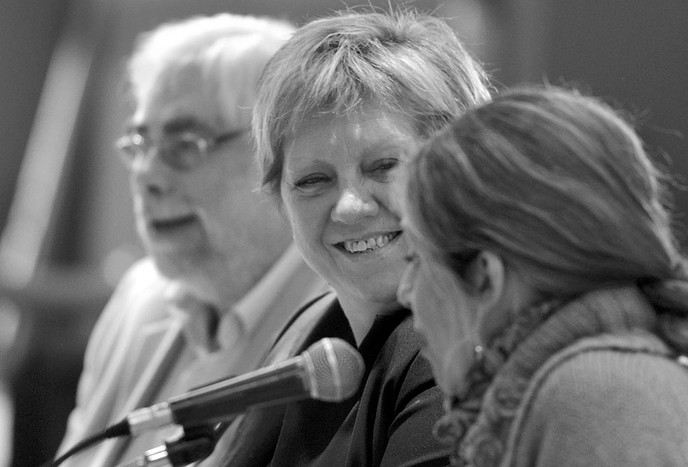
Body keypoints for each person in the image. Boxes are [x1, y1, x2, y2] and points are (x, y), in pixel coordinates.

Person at [202, 9, 492, 467]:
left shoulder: (463, 355)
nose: (350, 207)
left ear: (460, 168)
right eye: (314, 180)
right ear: (278, 199)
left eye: (384, 166)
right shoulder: (311, 337)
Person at [56, 14, 328, 466]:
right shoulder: (140, 299)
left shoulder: (339, 322)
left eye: (186, 143)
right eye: (141, 142)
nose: (147, 177)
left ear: (281, 153)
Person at [398, 85, 688, 466]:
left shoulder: (598, 395)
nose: (405, 291)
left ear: (485, 276)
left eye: (414, 259)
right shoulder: (597, 386)